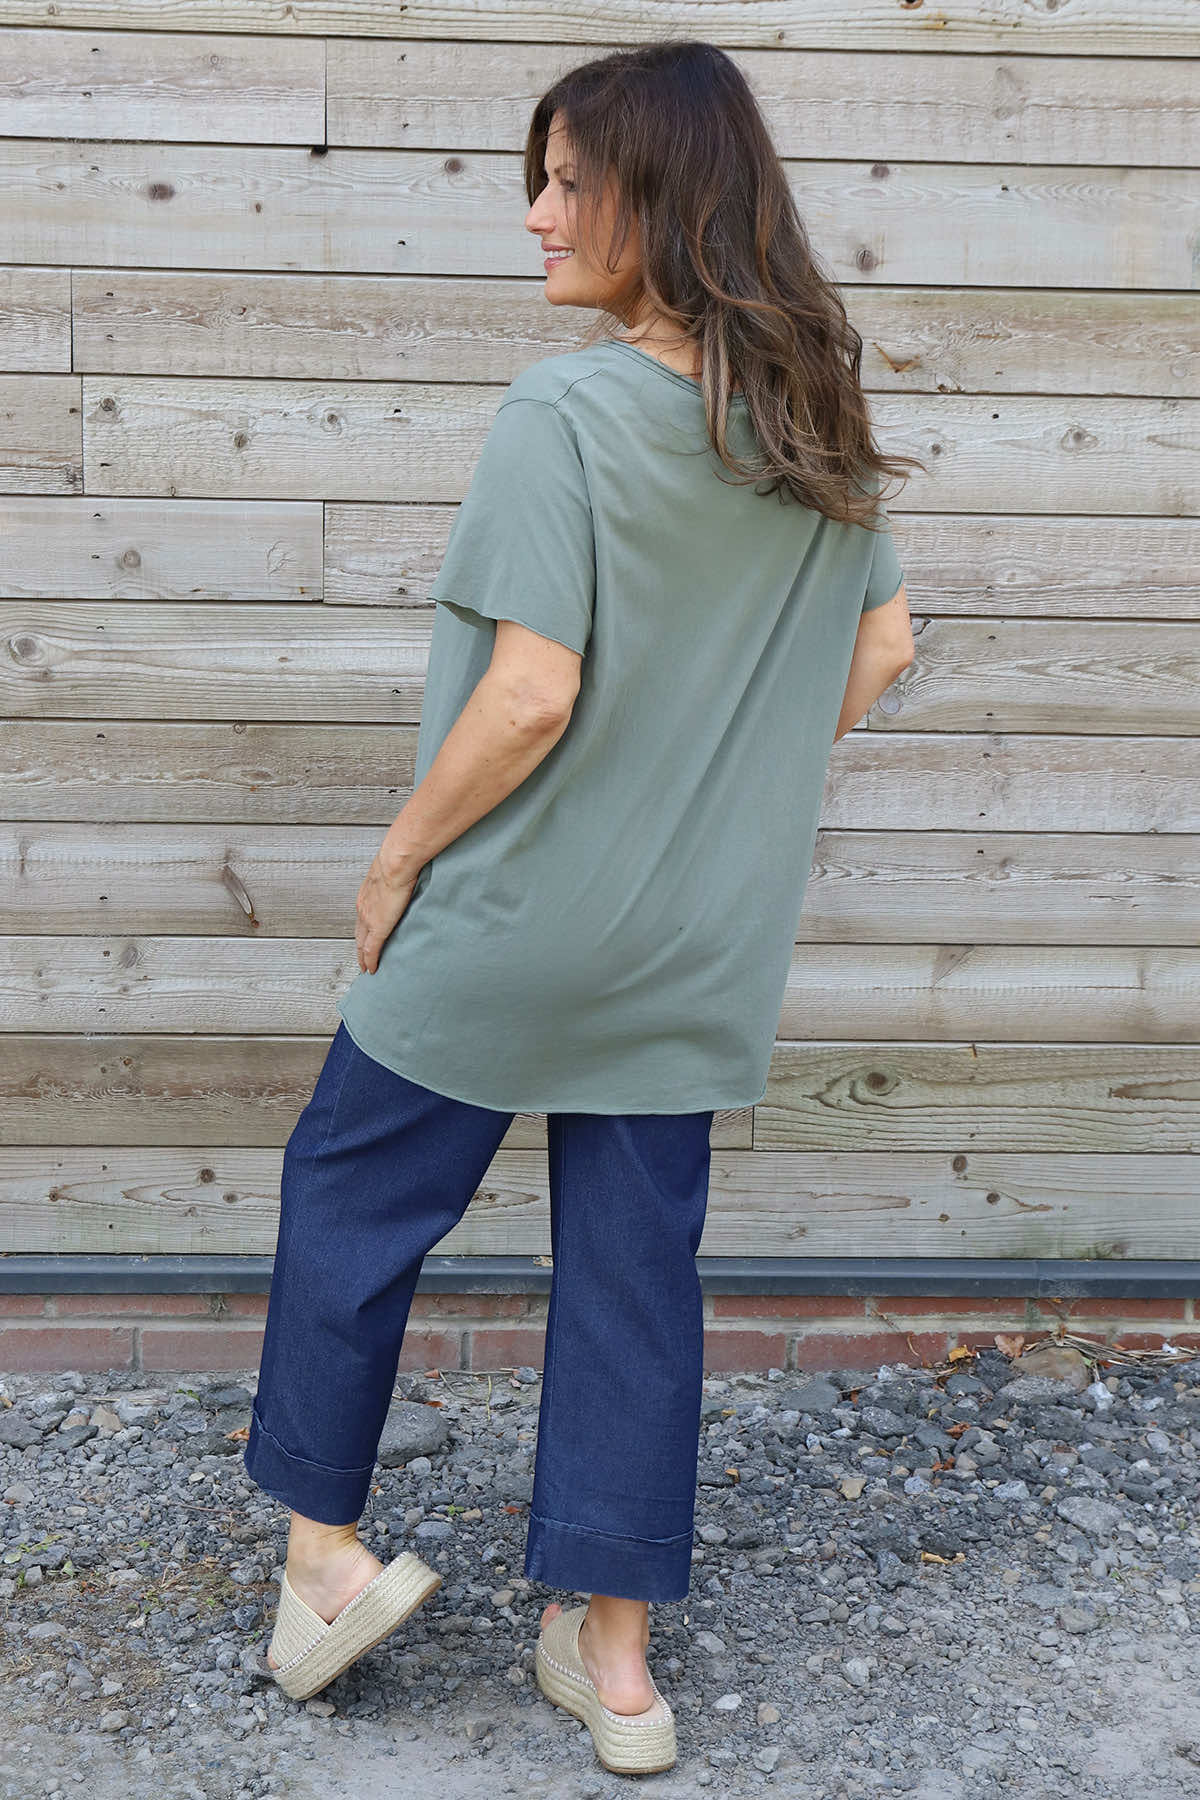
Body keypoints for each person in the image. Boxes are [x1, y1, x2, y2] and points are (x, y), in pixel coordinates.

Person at [243, 37, 919, 1774]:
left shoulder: (563, 412)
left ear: (662, 197)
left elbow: (531, 694)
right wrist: (716, 772)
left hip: (516, 922)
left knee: (350, 1193)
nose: (536, 215)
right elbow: (884, 649)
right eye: (534, 181)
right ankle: (617, 1669)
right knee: (634, 1273)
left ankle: (325, 1564)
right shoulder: (809, 418)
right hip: (696, 941)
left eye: (566, 183)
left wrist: (397, 855)